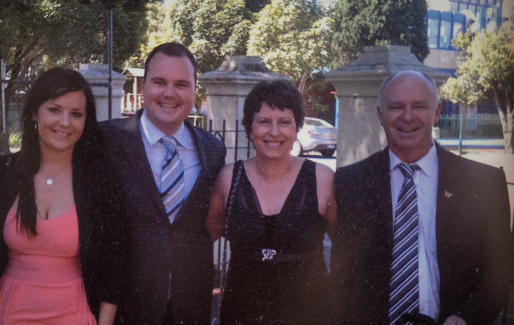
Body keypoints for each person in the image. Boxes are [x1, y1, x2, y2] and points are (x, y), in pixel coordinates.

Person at [331, 70, 514, 325]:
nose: (408, 117)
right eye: (396, 107)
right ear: (381, 115)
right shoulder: (350, 182)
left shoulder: (483, 184)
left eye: (419, 106)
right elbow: (342, 276)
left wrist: (465, 319)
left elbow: (500, 270)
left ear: (437, 112)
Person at [0, 68, 120, 325]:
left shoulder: (100, 180)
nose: (65, 122)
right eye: (54, 109)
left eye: (76, 114)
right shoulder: (1, 172)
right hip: (9, 313)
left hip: (74, 315)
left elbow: (113, 266)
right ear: (32, 113)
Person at [98, 42, 226, 325]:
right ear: (144, 86)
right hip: (122, 309)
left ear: (195, 90)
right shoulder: (105, 141)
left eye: (181, 84)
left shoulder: (213, 150)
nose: (169, 93)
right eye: (159, 82)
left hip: (188, 309)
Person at [206, 79, 336, 325]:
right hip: (241, 315)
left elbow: (345, 251)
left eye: (284, 122)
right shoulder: (228, 179)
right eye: (264, 121)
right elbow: (203, 240)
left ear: (296, 127)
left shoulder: (322, 179)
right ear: (250, 127)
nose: (274, 132)